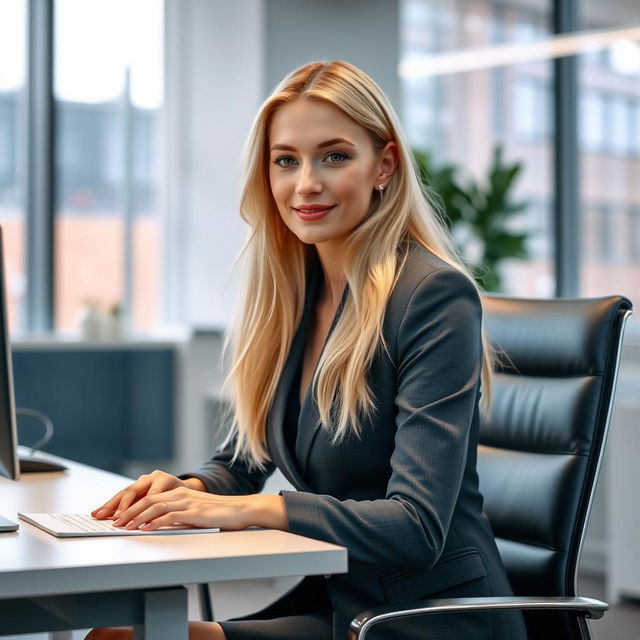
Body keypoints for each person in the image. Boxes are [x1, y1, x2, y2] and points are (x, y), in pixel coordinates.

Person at [86, 60, 527, 640]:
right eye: (286, 160)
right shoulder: (294, 293)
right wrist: (186, 491)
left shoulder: (432, 296)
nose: (306, 184)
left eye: (335, 156)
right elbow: (242, 462)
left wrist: (256, 510)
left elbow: (417, 527)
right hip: (340, 599)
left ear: (385, 165)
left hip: (426, 614)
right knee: (117, 636)